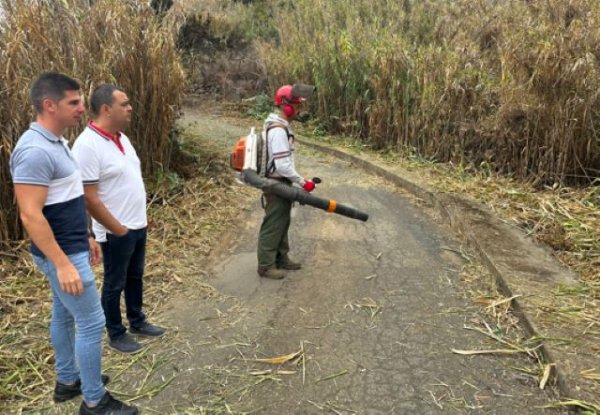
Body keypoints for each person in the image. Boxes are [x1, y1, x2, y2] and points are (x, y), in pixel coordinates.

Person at [10, 73, 138, 414]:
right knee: (92, 323)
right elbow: (30, 215)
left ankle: (68, 381)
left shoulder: (57, 142)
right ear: (50, 105)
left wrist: (87, 234)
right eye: (74, 103)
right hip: (61, 254)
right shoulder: (34, 151)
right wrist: (63, 262)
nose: (83, 108)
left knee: (64, 316)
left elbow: (66, 199)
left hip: (71, 245)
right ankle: (95, 401)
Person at [72, 84, 165, 355]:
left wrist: (141, 218)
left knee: (135, 276)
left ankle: (137, 321)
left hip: (137, 224)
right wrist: (118, 229)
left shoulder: (121, 138)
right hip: (115, 231)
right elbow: (89, 198)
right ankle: (115, 332)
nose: (130, 108)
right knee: (114, 282)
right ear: (106, 109)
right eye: (124, 104)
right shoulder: (87, 146)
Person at [256, 84, 316, 280]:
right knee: (273, 223)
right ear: (286, 106)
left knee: (283, 221)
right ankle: (265, 265)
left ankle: (281, 258)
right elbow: (282, 165)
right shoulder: (278, 130)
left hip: (280, 183)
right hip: (276, 184)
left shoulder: (280, 126)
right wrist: (302, 181)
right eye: (296, 105)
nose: (299, 109)